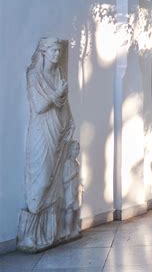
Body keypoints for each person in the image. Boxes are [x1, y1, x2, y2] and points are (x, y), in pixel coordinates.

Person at [17, 38, 75, 252]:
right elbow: (40, 106)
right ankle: (28, 233)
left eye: (59, 50)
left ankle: (44, 232)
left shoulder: (58, 74)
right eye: (53, 50)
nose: (57, 54)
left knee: (52, 180)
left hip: (57, 130)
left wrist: (70, 121)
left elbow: (64, 104)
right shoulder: (34, 75)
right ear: (43, 52)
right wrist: (57, 95)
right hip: (41, 133)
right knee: (41, 181)